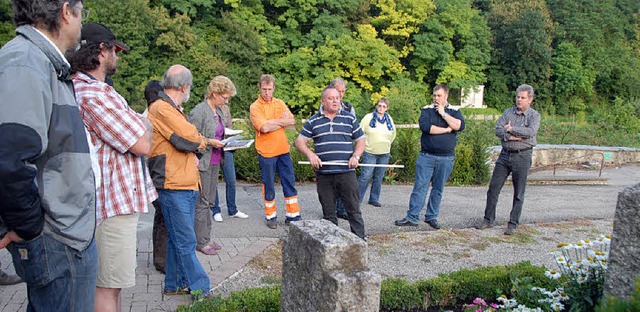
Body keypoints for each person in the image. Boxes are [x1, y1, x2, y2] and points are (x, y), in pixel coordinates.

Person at [0, 0, 98, 310]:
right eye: (82, 12)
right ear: (67, 10)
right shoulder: (24, 62)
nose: (82, 22)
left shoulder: (42, 63)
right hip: (57, 239)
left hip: (63, 236)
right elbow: (10, 160)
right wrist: (29, 226)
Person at [68, 22, 156, 312]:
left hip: (112, 204)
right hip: (108, 206)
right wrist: (143, 125)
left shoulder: (97, 90)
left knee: (112, 285)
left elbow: (139, 130)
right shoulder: (93, 95)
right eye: (115, 50)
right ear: (102, 51)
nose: (118, 56)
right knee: (105, 288)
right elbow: (143, 143)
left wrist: (140, 126)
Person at [147, 65, 214, 298]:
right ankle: (201, 288)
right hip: (173, 184)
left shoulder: (171, 108)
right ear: (184, 86)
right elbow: (189, 137)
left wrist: (197, 140)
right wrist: (202, 141)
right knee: (186, 240)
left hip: (184, 183)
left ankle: (174, 284)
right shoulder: (161, 108)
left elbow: (190, 137)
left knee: (178, 239)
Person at [295, 86, 367, 240]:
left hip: (346, 173)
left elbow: (361, 140)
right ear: (323, 101)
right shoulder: (313, 121)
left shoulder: (349, 118)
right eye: (330, 98)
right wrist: (310, 154)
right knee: (329, 213)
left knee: (353, 210)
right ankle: (331, 245)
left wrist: (356, 156)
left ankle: (360, 242)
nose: (335, 101)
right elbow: (300, 141)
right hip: (324, 175)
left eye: (337, 98)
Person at [395, 84, 465, 229]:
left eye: (439, 95)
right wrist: (446, 130)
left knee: (438, 189)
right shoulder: (426, 110)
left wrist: (443, 114)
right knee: (420, 187)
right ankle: (412, 217)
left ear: (446, 96)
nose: (436, 98)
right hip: (427, 156)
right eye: (434, 95)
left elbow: (459, 126)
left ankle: (431, 217)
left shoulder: (455, 111)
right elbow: (427, 128)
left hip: (446, 158)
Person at [476, 84, 540, 235]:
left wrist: (510, 129)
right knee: (493, 188)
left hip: (522, 155)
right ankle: (488, 219)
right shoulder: (508, 112)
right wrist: (511, 136)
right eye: (518, 97)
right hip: (505, 155)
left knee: (519, 192)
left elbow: (530, 132)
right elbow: (498, 129)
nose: (519, 100)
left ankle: (512, 224)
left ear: (530, 99)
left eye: (523, 98)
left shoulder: (534, 116)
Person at [188, 76, 237, 255]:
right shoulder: (199, 111)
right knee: (202, 202)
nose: (226, 101)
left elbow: (222, 132)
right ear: (215, 94)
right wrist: (210, 141)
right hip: (202, 162)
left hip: (216, 159)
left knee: (208, 201)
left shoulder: (220, 111)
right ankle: (201, 241)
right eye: (225, 97)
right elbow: (191, 137)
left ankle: (206, 237)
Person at [249, 74, 301, 229]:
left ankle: (293, 215)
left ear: (274, 88)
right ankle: (271, 216)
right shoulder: (255, 107)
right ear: (259, 88)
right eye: (264, 89)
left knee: (289, 182)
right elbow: (263, 128)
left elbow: (291, 120)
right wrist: (280, 122)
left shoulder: (279, 103)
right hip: (266, 153)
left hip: (283, 150)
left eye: (269, 89)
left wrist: (272, 123)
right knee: (268, 184)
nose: (267, 92)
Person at [143, 80, 169, 274]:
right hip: (156, 170)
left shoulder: (148, 114)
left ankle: (159, 257)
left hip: (152, 170)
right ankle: (162, 260)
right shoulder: (154, 115)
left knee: (160, 216)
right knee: (163, 216)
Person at [211, 102, 248, 222]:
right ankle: (215, 210)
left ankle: (232, 209)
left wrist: (232, 137)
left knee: (231, 180)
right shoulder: (207, 108)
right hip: (214, 147)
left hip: (226, 147)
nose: (226, 100)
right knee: (213, 181)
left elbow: (230, 126)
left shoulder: (225, 108)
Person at [357, 97, 397, 207]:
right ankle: (357, 199)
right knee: (365, 176)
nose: (381, 108)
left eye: (384, 106)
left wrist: (387, 143)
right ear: (376, 106)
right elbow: (360, 132)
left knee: (379, 177)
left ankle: (374, 198)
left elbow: (393, 133)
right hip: (370, 151)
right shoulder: (368, 118)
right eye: (379, 105)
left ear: (387, 108)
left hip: (384, 153)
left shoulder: (389, 119)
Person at [328, 78, 355, 220]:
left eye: (343, 92)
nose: (341, 94)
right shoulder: (325, 107)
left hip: (345, 149)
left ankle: (341, 209)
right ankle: (330, 211)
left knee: (345, 183)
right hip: (330, 150)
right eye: (339, 91)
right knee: (330, 184)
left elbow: (354, 129)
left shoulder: (349, 108)